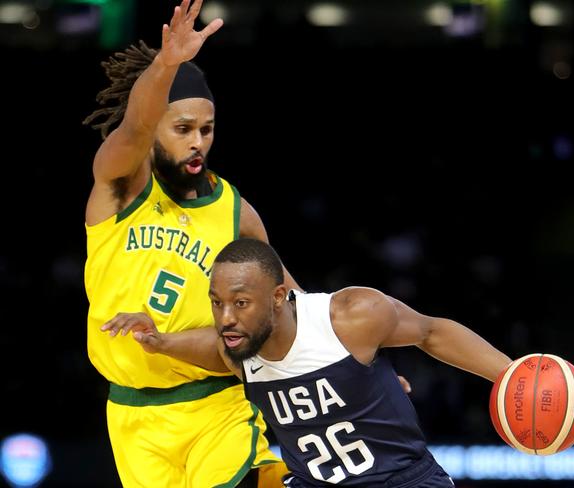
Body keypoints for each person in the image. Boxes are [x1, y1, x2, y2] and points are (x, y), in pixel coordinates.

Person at [83, 1, 295, 486]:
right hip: (132, 412)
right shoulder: (120, 188)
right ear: (155, 129)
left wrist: (353, 366)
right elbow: (133, 127)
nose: (198, 141)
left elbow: (289, 301)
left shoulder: (236, 212)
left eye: (207, 128)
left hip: (217, 400)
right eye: (182, 129)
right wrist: (165, 65)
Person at [111, 238, 513, 487]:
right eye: (217, 303)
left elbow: (431, 332)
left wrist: (512, 375)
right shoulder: (237, 350)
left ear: (277, 296)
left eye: (241, 303)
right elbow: (207, 345)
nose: (226, 317)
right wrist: (159, 341)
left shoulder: (351, 316)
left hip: (402, 481)